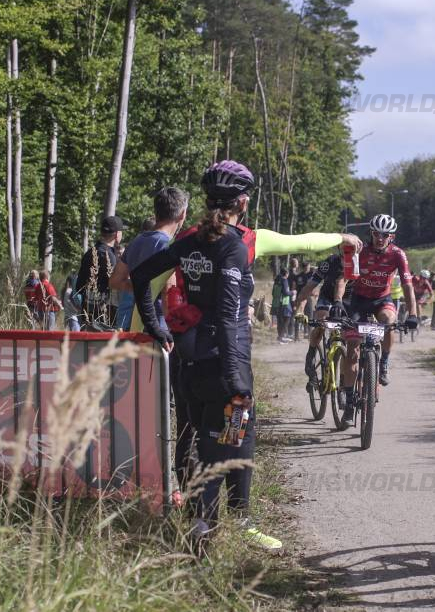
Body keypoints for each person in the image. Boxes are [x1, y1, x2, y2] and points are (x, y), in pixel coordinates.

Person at [131, 160, 361, 553]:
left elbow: (143, 278)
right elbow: (301, 242)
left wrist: (152, 330)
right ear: (243, 202)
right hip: (226, 359)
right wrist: (343, 237)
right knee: (233, 436)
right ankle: (218, 524)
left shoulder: (187, 238)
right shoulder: (246, 242)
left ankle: (203, 519)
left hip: (185, 356)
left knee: (193, 434)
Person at [339, 214, 419, 426]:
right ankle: (348, 402)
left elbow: (408, 286)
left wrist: (413, 314)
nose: (380, 238)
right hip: (358, 300)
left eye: (385, 234)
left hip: (381, 299)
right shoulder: (360, 251)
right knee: (353, 349)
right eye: (376, 233)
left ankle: (383, 362)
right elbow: (343, 278)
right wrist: (338, 302)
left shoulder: (398, 255)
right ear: (371, 233)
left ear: (391, 236)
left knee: (388, 321)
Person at [109, 187, 189, 330]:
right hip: (158, 326)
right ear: (182, 215)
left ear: (156, 211)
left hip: (134, 323)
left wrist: (141, 288)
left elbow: (115, 281)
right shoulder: (169, 246)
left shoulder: (137, 241)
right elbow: (167, 294)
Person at [294, 252, 353, 387]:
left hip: (349, 300)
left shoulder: (362, 262)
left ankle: (344, 382)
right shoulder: (330, 262)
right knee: (321, 322)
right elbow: (309, 287)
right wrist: (300, 310)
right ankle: (311, 353)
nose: (347, 257)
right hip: (327, 297)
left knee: (349, 340)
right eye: (344, 252)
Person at [76, 215, 126, 327]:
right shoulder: (110, 256)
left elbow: (79, 287)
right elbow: (118, 284)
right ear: (117, 234)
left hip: (87, 314)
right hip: (106, 317)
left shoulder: (89, 253)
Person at [273, 268, 293, 343]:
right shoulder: (284, 280)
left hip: (277, 302)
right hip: (284, 302)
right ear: (286, 273)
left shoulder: (276, 280)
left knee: (279, 320)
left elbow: (273, 292)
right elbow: (286, 292)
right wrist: (292, 292)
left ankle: (279, 336)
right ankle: (281, 336)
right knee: (287, 318)